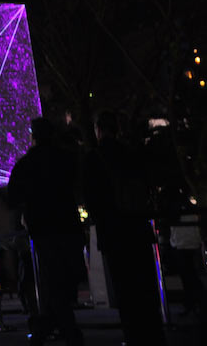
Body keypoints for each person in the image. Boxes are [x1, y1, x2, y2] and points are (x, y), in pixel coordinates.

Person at [83, 111, 165, 345]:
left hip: (114, 231)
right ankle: (154, 334)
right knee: (145, 288)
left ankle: (134, 335)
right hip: (137, 227)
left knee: (125, 290)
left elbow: (92, 199)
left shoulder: (95, 158)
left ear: (99, 130)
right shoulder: (131, 153)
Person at [8, 117, 84, 346]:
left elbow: (13, 195)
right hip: (67, 226)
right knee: (65, 278)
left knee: (51, 279)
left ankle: (56, 326)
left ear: (33, 136)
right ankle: (58, 325)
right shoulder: (66, 159)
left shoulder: (27, 164)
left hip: (43, 229)